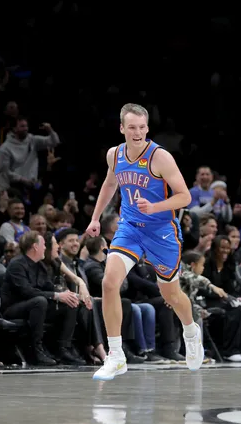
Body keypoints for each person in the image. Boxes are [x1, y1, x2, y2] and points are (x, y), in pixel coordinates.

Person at [87, 103, 203, 381]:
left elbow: (185, 197)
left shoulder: (160, 157)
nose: (137, 132)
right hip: (130, 228)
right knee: (109, 282)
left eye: (142, 127)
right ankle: (116, 355)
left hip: (161, 231)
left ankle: (190, 331)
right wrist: (95, 218)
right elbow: (109, 184)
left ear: (147, 128)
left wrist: (156, 206)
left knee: (171, 296)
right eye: (131, 127)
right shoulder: (114, 155)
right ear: (122, 128)